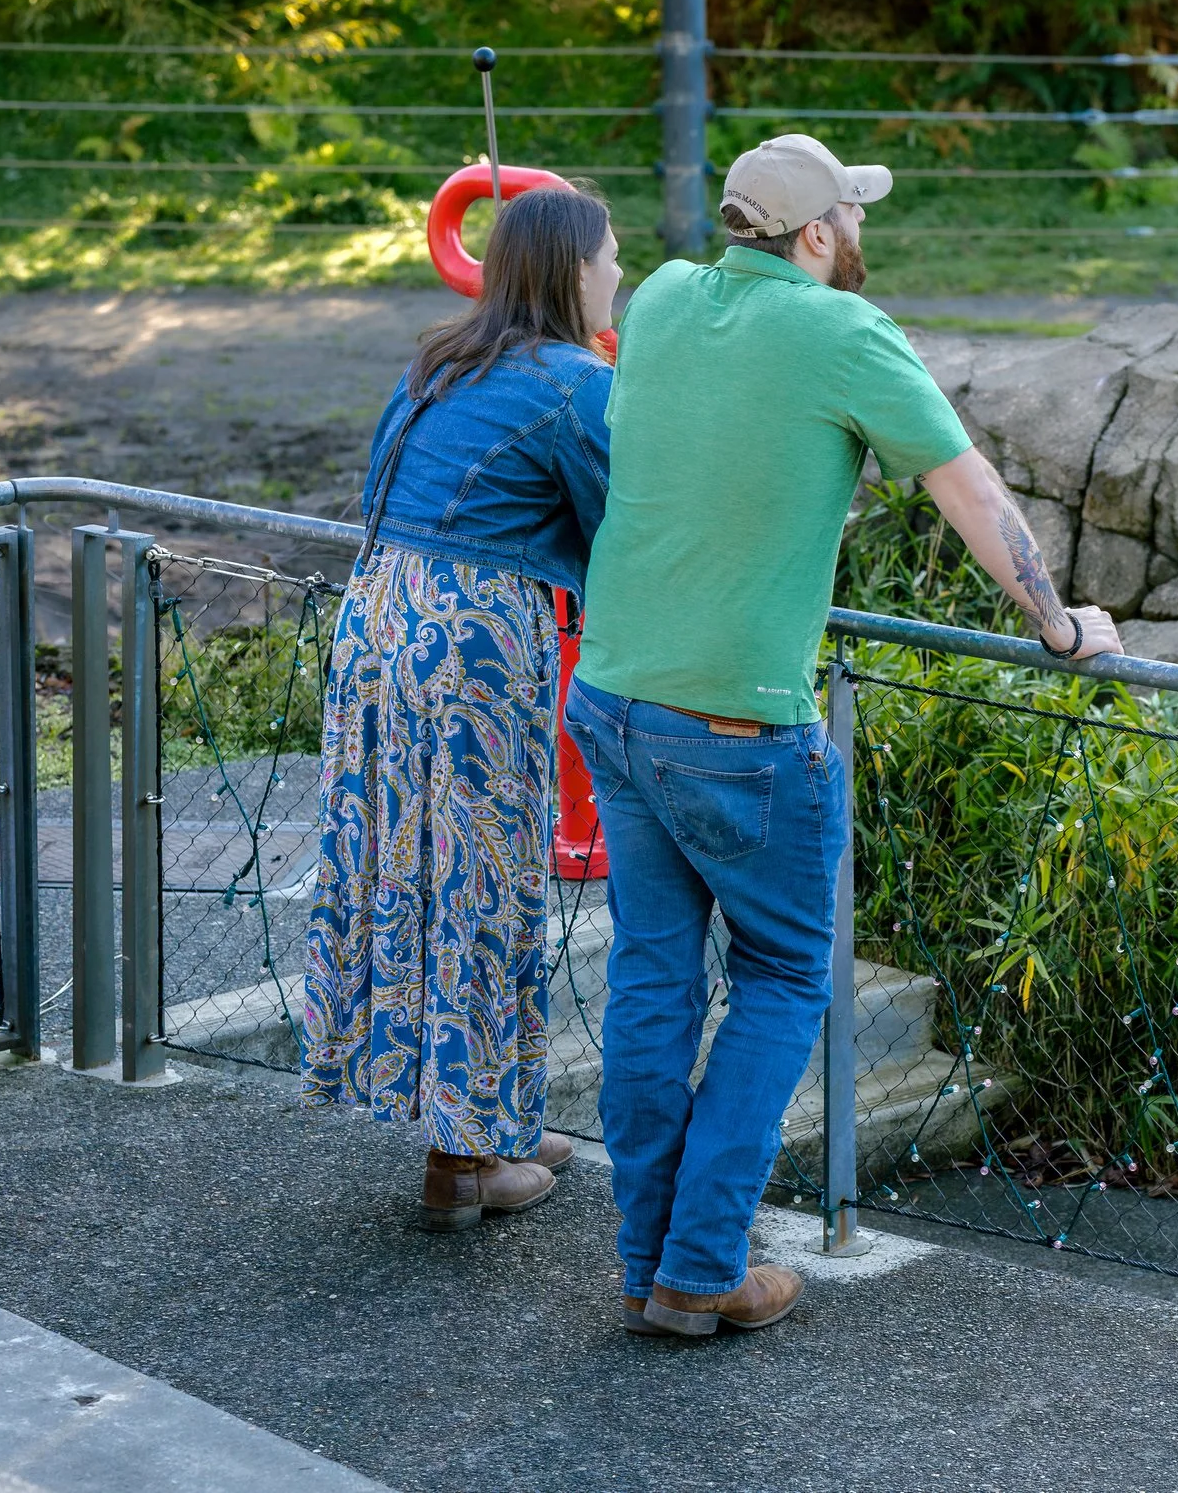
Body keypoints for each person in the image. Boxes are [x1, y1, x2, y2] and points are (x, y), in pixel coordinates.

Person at [563, 133, 1123, 1337]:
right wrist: (1060, 623)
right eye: (853, 215)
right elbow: (970, 490)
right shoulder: (847, 332)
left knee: (654, 977)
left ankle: (648, 1263)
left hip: (612, 693)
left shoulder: (659, 298)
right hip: (737, 721)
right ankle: (701, 1264)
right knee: (779, 977)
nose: (862, 232)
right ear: (817, 233)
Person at [300, 182, 622, 1231]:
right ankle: (464, 1159)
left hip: (378, 619)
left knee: (403, 865)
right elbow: (624, 528)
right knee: (481, 878)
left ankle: (486, 1119)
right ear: (573, 272)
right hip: (472, 639)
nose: (619, 273)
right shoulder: (576, 382)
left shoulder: (437, 360)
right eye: (610, 257)